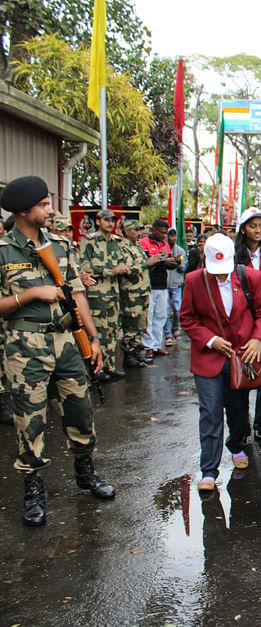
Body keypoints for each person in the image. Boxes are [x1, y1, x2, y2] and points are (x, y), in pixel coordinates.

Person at [0, 176, 115, 526]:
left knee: (81, 410)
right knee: (30, 420)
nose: (51, 209)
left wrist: (93, 340)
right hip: (25, 347)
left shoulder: (62, 246)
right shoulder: (3, 251)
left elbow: (78, 294)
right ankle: (33, 490)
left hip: (66, 342)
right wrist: (30, 295)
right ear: (24, 211)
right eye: (44, 205)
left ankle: (86, 472)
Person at [179, 233, 261, 491]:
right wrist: (210, 340)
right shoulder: (194, 281)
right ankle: (208, 469)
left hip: (242, 358)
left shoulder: (249, 277)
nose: (220, 276)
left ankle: (236, 443)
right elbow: (187, 319)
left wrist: (258, 339)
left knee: (239, 410)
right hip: (209, 359)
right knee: (210, 411)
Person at [233, 207, 261, 441]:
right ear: (243, 228)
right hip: (242, 319)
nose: (257, 231)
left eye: (260, 226)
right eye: (252, 226)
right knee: (243, 373)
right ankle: (243, 424)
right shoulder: (236, 254)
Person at [80, 208, 128, 381]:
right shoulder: (89, 241)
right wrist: (110, 271)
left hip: (113, 292)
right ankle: (98, 370)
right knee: (99, 331)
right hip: (97, 293)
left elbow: (123, 261)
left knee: (113, 331)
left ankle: (111, 366)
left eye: (112, 220)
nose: (110, 223)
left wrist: (122, 267)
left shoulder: (116, 241)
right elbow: (85, 267)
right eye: (106, 220)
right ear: (98, 222)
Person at [140, 219, 179, 362]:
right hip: (149, 285)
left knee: (161, 316)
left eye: (165, 233)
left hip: (162, 285)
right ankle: (148, 346)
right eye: (161, 233)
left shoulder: (165, 245)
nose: (164, 236)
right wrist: (163, 262)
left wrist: (173, 262)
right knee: (148, 317)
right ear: (154, 230)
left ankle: (157, 344)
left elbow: (166, 262)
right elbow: (146, 263)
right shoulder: (144, 243)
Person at [119, 219, 155, 368]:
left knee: (141, 324)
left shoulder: (137, 246)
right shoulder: (123, 247)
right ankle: (128, 355)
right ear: (127, 231)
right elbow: (128, 270)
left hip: (143, 290)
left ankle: (136, 352)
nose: (140, 232)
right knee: (131, 323)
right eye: (136, 229)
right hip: (131, 291)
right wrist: (148, 263)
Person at [163, 228, 187, 347]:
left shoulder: (180, 251)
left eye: (174, 236)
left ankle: (175, 327)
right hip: (164, 284)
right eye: (170, 235)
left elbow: (183, 268)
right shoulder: (163, 249)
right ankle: (167, 334)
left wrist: (178, 262)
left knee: (177, 308)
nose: (172, 238)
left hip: (176, 284)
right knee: (166, 311)